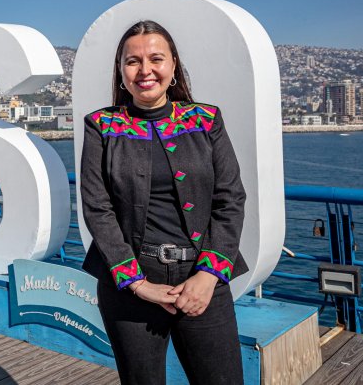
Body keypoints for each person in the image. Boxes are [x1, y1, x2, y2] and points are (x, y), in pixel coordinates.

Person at [80, 20, 246, 384]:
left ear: (173, 66)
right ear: (121, 71)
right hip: (132, 289)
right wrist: (138, 283)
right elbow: (97, 207)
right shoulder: (101, 127)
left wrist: (207, 276)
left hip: (203, 280)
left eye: (156, 58)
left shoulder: (205, 119)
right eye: (132, 61)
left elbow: (230, 198)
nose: (145, 70)